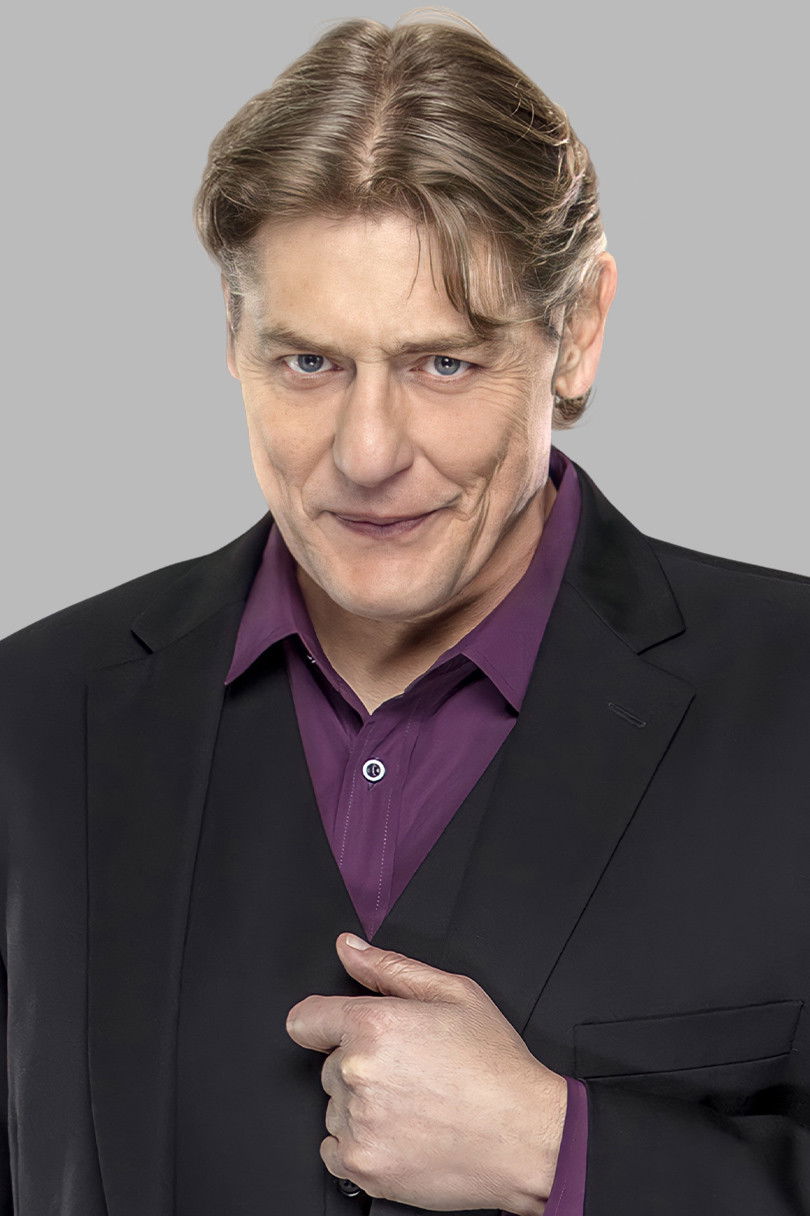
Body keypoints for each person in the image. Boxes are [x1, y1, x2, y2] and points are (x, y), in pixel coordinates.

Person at [0, 12, 808, 1216]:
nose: (367, 454)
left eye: (443, 364)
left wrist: (561, 1151)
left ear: (578, 332)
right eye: (309, 363)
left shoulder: (793, 699)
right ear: (234, 338)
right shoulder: (32, 714)